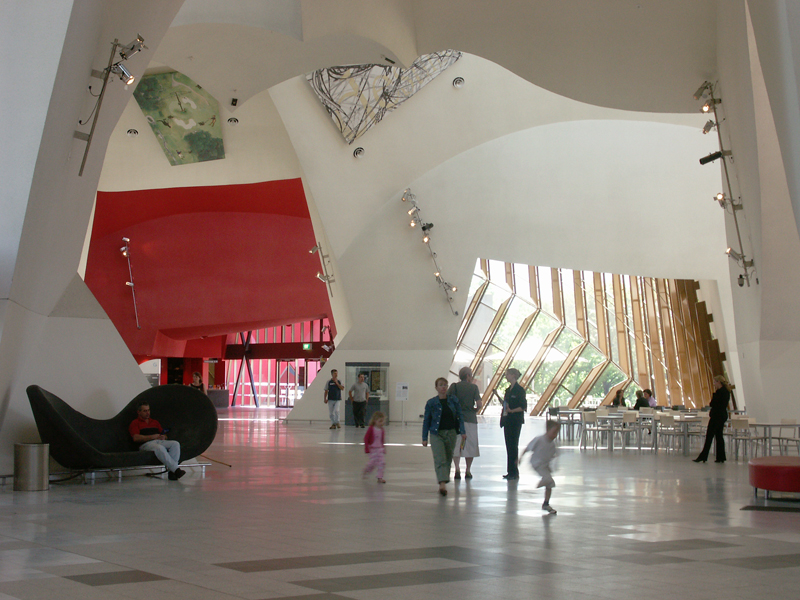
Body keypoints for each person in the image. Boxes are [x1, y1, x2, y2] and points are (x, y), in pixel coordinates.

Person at [422, 377, 467, 496]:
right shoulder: (431, 403)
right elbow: (427, 420)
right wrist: (424, 437)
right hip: (437, 434)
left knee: (447, 458)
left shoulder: (453, 401)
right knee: (440, 458)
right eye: (441, 385)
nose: (443, 387)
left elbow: (460, 416)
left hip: (451, 433)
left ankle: (443, 480)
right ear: (436, 388)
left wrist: (462, 431)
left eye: (445, 385)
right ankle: (442, 484)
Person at [129, 402, 185, 480]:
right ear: (139, 412)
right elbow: (136, 438)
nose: (147, 413)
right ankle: (176, 470)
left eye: (148, 410)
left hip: (158, 441)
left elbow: (164, 434)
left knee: (175, 444)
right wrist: (151, 437)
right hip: (145, 444)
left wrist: (163, 437)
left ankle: (172, 471)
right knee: (159, 448)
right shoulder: (135, 423)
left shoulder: (154, 422)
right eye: (145, 411)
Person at [519, 420, 560, 514]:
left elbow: (553, 456)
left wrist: (552, 465)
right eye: (553, 432)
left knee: (549, 485)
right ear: (547, 430)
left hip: (545, 465)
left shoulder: (552, 444)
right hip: (536, 464)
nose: (555, 435)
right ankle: (540, 483)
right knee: (549, 480)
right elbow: (528, 448)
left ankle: (546, 503)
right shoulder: (539, 439)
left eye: (556, 433)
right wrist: (521, 457)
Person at [449, 366, 482, 479]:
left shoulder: (454, 387)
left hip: (456, 420)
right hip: (470, 419)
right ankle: (468, 470)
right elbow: (479, 404)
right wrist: (474, 410)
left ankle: (457, 469)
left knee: (456, 444)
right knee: (470, 445)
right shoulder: (473, 388)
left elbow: (448, 401)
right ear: (468, 376)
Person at [693, 375, 731, 463]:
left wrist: (714, 395)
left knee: (709, 436)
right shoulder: (726, 392)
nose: (714, 384)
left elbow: (712, 404)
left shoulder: (719, 392)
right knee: (719, 436)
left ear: (719, 382)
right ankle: (721, 457)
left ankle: (703, 456)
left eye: (715, 382)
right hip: (722, 415)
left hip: (716, 416)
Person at [501, 368, 527, 480]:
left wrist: (512, 410)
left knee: (513, 445)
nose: (506, 376)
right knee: (508, 445)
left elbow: (523, 406)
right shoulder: (508, 390)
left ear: (512, 375)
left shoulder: (520, 390)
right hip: (507, 420)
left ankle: (514, 471)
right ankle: (510, 471)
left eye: (507, 374)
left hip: (515, 421)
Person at [362, 411, 387, 483]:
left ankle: (380, 477)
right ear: (375, 421)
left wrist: (383, 447)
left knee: (382, 462)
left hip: (380, 449)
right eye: (380, 421)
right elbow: (366, 438)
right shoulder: (371, 429)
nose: (381, 423)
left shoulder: (382, 430)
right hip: (372, 449)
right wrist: (366, 448)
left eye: (382, 421)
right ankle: (367, 470)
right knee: (372, 463)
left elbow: (382, 440)